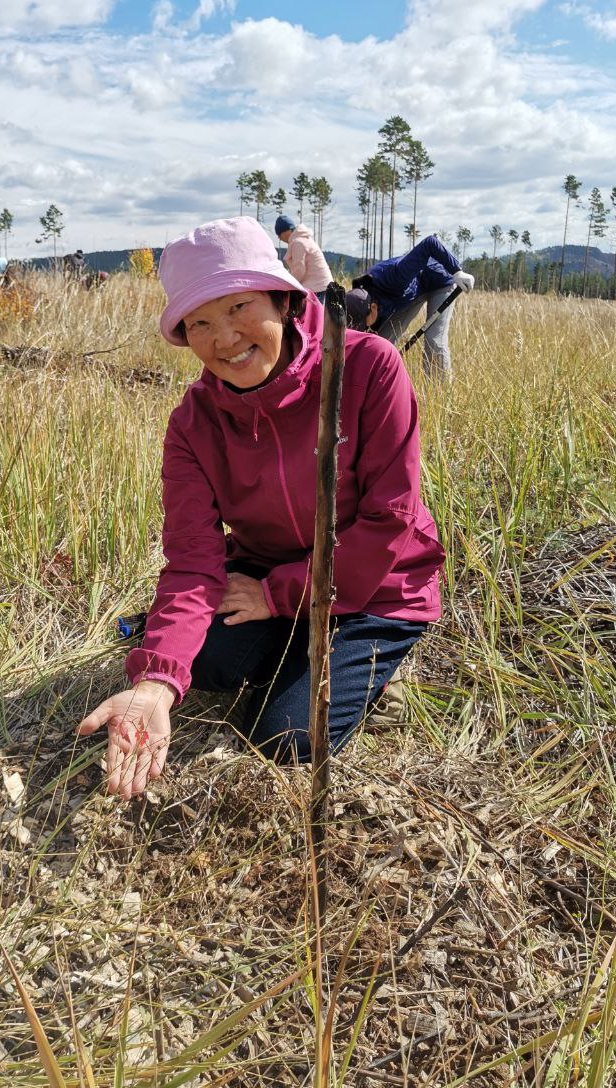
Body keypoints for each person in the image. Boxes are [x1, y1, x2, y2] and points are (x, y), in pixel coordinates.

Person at [77, 217, 445, 801]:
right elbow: (193, 561)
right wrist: (155, 683)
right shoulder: (193, 423)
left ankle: (383, 669)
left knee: (286, 737)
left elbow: (389, 520)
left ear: (283, 299)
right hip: (266, 581)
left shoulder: (368, 368)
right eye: (200, 321)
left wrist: (278, 595)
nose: (223, 338)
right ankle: (295, 646)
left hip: (377, 591)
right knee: (199, 665)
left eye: (239, 307)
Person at [351, 235, 474, 376]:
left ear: (372, 308)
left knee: (434, 341)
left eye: (362, 325)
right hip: (412, 291)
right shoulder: (359, 298)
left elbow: (430, 243)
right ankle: (378, 383)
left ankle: (440, 391)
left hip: (440, 282)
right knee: (381, 341)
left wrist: (457, 271)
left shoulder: (395, 275)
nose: (363, 329)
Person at [275, 213, 332, 300]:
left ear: (287, 231)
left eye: (279, 234)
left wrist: (287, 287)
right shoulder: (304, 239)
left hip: (318, 289)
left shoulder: (298, 243)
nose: (279, 238)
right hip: (323, 287)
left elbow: (299, 270)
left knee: (311, 313)